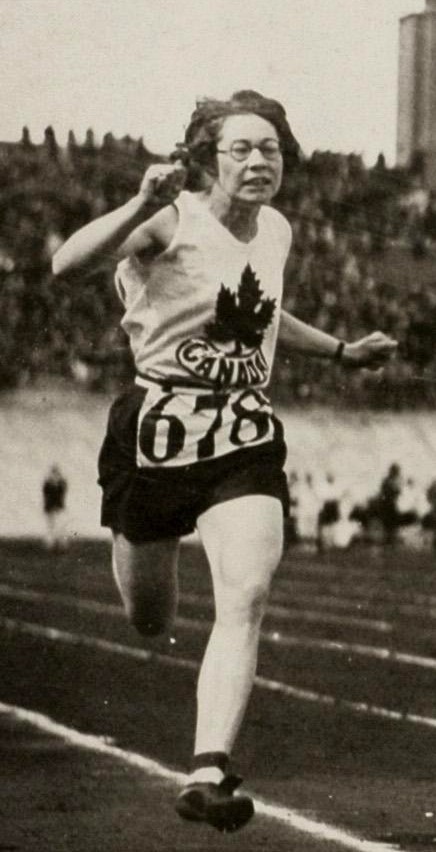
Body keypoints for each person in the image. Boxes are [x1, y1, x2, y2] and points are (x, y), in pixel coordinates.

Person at [52, 90, 397, 833]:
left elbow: (263, 314)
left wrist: (339, 350)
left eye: (270, 148)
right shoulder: (170, 218)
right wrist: (138, 201)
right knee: (151, 617)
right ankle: (139, 554)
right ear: (207, 157)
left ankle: (209, 769)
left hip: (242, 433)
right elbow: (64, 266)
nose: (258, 161)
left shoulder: (275, 228)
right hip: (156, 429)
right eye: (240, 148)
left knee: (246, 592)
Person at [42, 464, 68, 551]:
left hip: (58, 508)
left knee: (60, 526)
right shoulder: (49, 484)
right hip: (51, 508)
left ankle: (60, 544)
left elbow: (62, 493)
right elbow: (46, 495)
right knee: (51, 526)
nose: (55, 476)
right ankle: (51, 544)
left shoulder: (60, 483)